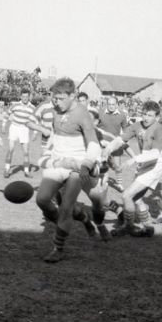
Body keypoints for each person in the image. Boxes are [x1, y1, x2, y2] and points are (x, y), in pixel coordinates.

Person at [36, 77, 103, 263]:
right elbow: (54, 137)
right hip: (60, 161)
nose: (56, 102)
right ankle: (82, 219)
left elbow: (94, 143)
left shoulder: (82, 114)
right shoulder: (55, 110)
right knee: (42, 199)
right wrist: (48, 156)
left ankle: (58, 248)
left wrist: (86, 164)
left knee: (66, 206)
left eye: (60, 98)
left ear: (72, 96)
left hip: (77, 164)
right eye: (54, 98)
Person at [104, 100, 162, 236]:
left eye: (150, 115)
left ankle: (128, 226)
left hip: (155, 164)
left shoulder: (160, 130)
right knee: (135, 199)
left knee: (127, 195)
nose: (146, 118)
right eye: (144, 114)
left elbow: (155, 153)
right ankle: (148, 228)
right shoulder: (137, 125)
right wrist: (108, 149)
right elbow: (120, 140)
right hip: (145, 163)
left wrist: (134, 159)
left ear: (156, 117)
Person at [2, 89, 36, 178]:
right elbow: (7, 114)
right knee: (11, 149)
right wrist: (3, 125)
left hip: (24, 129)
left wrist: (35, 132)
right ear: (20, 96)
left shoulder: (32, 108)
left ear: (29, 97)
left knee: (26, 151)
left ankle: (26, 171)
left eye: (26, 96)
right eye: (23, 96)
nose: (25, 98)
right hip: (14, 128)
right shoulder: (15, 105)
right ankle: (7, 169)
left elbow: (36, 120)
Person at [98, 96, 128, 192]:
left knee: (117, 165)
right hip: (103, 144)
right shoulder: (100, 113)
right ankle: (100, 183)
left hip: (116, 144)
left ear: (117, 105)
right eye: (109, 104)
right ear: (107, 104)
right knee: (102, 164)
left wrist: (124, 140)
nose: (111, 106)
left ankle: (119, 184)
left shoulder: (122, 115)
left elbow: (125, 129)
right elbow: (94, 125)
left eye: (113, 104)